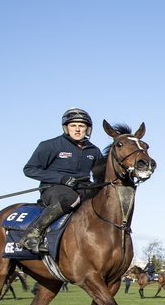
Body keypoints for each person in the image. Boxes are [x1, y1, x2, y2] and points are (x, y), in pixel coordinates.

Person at [20, 108, 103, 254]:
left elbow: (100, 176)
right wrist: (61, 178)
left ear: (87, 129)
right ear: (66, 127)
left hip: (83, 188)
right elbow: (29, 169)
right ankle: (32, 234)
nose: (77, 129)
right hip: (53, 188)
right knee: (70, 198)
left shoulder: (94, 151)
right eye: (73, 125)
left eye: (81, 126)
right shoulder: (50, 145)